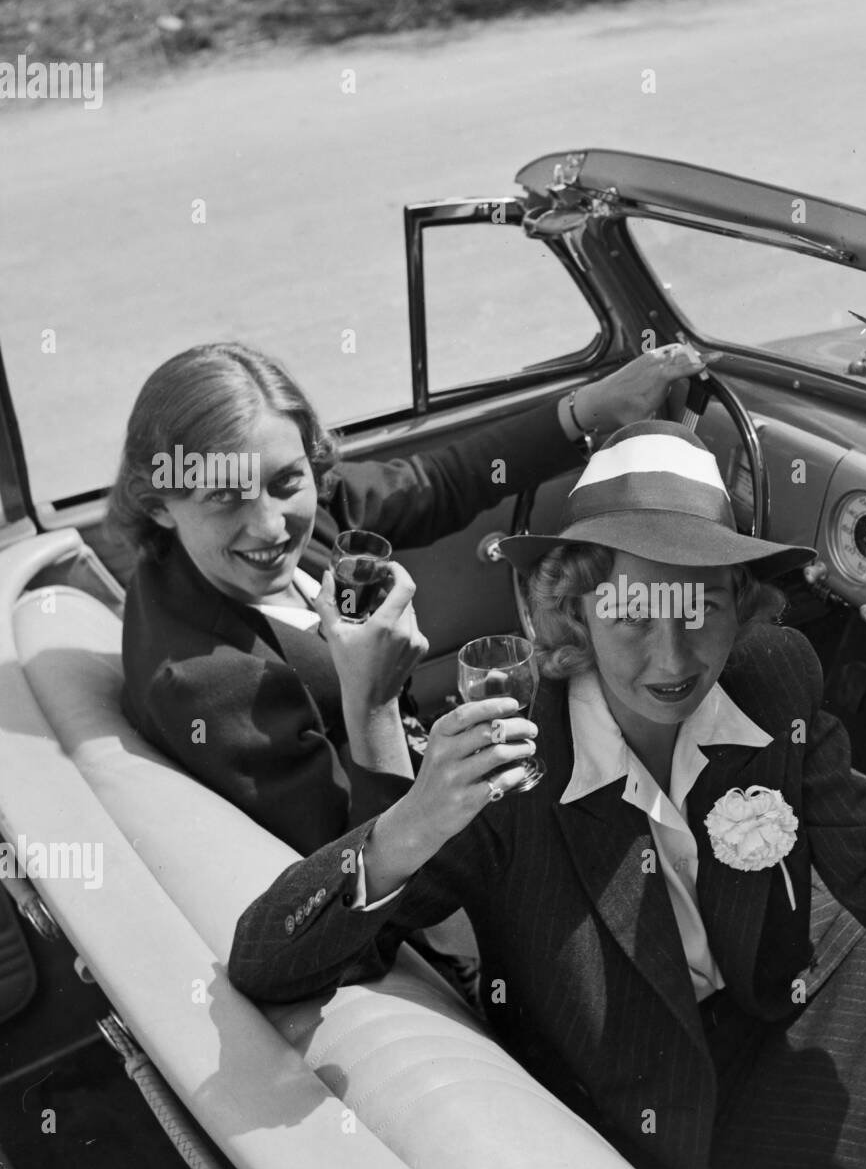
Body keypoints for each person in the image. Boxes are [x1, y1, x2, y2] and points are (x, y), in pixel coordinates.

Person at [228, 421, 866, 1169]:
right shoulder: (504, 760)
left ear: (744, 608)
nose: (675, 659)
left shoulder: (775, 676)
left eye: (704, 611)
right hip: (688, 1100)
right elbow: (266, 957)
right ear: (575, 611)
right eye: (637, 615)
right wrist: (409, 823)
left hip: (831, 984)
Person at [108, 340, 709, 857]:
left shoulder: (298, 512)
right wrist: (374, 699)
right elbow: (356, 869)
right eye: (224, 498)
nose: (271, 527)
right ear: (159, 503)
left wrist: (587, 410)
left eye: (286, 481)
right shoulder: (203, 683)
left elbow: (437, 481)